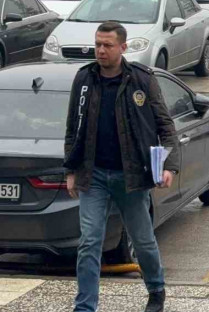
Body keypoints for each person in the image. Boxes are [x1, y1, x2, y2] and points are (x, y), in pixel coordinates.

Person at [63, 21, 179, 312]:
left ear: (123, 47)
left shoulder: (141, 79)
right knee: (89, 242)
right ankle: (85, 306)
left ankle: (156, 289)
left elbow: (165, 125)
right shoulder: (84, 78)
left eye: (107, 45)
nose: (100, 51)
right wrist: (70, 170)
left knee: (142, 241)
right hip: (94, 175)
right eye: (98, 44)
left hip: (131, 176)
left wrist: (170, 166)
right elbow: (72, 127)